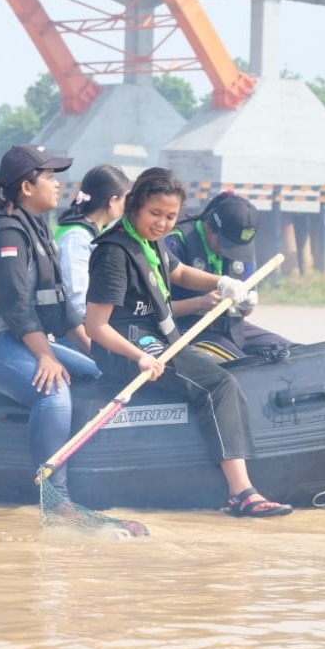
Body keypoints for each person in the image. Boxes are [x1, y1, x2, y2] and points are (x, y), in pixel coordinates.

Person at [84, 167, 292, 517]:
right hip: (125, 346)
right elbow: (95, 326)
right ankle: (241, 493)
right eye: (155, 214)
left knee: (218, 371)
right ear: (134, 205)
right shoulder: (114, 253)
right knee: (218, 383)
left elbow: (178, 272)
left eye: (171, 216)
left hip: (154, 336)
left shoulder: (149, 243)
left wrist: (222, 282)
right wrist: (140, 358)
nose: (163, 223)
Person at [0, 144, 110, 516]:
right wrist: (46, 356)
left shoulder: (34, 227)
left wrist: (97, 351)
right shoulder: (5, 231)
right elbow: (15, 306)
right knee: (52, 392)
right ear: (26, 187)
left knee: (97, 372)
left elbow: (63, 308)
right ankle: (55, 499)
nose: (58, 185)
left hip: (12, 335)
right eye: (50, 177)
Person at [164, 191, 292, 359]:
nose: (232, 253)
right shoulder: (175, 242)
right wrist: (200, 303)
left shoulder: (240, 245)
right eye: (227, 245)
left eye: (238, 247)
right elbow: (154, 310)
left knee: (292, 353)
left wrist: (247, 305)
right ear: (209, 227)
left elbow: (245, 311)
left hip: (232, 328)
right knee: (240, 363)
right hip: (189, 331)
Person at [55, 164, 131, 318]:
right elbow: (77, 298)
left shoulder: (96, 232)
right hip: (79, 330)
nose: (127, 205)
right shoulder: (76, 237)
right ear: (113, 200)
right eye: (125, 198)